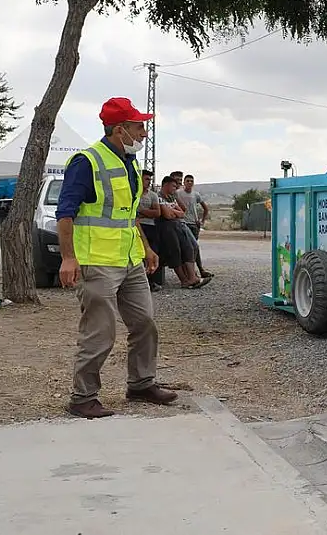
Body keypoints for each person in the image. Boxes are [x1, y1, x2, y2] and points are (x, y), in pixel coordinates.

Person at [56, 97, 178, 419]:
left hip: (129, 259)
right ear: (120, 129)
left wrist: (146, 248)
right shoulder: (87, 162)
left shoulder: (129, 162)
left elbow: (127, 214)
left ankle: (141, 384)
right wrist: (69, 259)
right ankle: (83, 398)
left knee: (145, 323)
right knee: (100, 332)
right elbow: (65, 213)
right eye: (139, 126)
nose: (143, 132)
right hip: (96, 262)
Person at [176, 174, 213, 280]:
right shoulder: (178, 193)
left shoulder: (195, 195)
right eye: (187, 181)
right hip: (183, 223)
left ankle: (199, 270)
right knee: (188, 248)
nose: (190, 183)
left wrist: (202, 221)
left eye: (191, 181)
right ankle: (191, 273)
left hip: (193, 224)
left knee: (194, 248)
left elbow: (205, 208)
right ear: (184, 182)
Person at [136, 169, 164, 292]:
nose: (148, 182)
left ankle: (151, 280)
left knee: (152, 252)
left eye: (150, 179)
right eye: (146, 179)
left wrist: (140, 211)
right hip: (136, 226)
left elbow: (157, 213)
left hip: (150, 226)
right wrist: (147, 212)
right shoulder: (133, 194)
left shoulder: (152, 195)